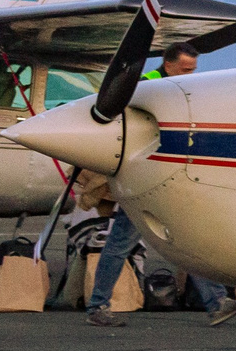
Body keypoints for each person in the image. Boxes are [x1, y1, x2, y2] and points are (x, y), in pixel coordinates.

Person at [86, 44, 201, 326]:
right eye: (186, 69)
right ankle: (97, 306)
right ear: (169, 64)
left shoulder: (174, 87)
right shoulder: (146, 87)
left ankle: (217, 301)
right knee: (129, 243)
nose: (191, 75)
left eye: (193, 70)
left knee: (190, 240)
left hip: (159, 178)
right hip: (144, 179)